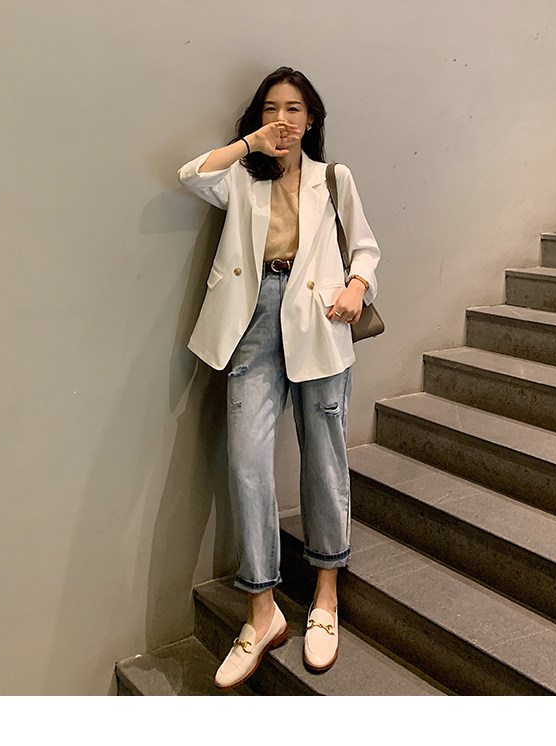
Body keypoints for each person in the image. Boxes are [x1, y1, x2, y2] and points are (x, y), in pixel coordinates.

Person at [177, 67, 380, 689]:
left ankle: (325, 595)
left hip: (319, 318)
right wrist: (249, 144)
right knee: (246, 463)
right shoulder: (242, 176)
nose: (283, 119)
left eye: (294, 109)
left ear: (311, 117)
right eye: (272, 108)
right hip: (254, 319)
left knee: (325, 457)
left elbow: (365, 246)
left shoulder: (333, 177)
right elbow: (191, 175)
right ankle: (262, 611)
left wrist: (356, 286)